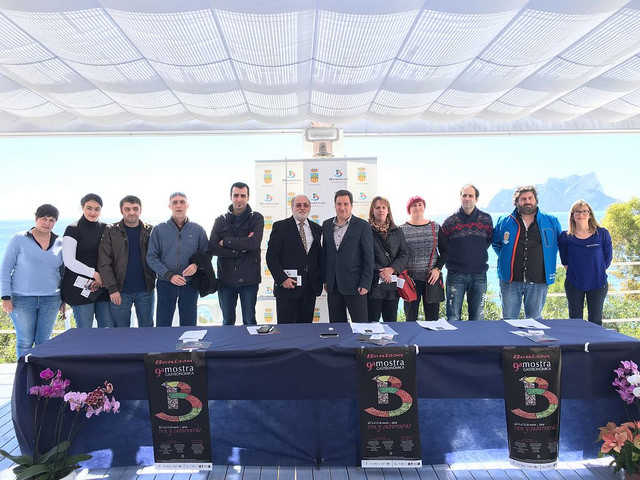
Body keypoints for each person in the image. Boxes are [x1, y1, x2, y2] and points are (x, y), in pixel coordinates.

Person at [1, 205, 63, 357]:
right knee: (25, 341)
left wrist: (64, 299)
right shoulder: (19, 239)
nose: (47, 223)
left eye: (51, 220)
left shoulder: (60, 242)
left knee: (44, 342)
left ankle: (40, 372)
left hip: (51, 299)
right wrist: (5, 297)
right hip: (22, 299)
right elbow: (5, 269)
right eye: (44, 219)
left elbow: (63, 274)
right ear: (36, 218)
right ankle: (24, 372)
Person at [493, 185, 561, 320]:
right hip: (510, 280)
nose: (527, 201)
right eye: (523, 199)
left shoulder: (551, 221)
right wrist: (507, 258)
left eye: (530, 198)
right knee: (508, 319)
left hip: (539, 280)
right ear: (517, 202)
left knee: (535, 320)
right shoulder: (504, 221)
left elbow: (558, 244)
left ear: (536, 200)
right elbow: (496, 244)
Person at [147, 192, 208, 327]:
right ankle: (163, 343)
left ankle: (187, 343)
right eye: (175, 202)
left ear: (187, 205)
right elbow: (151, 257)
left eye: (182, 202)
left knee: (189, 325)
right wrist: (169, 275)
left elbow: (206, 254)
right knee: (163, 324)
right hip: (166, 283)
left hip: (190, 283)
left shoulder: (198, 230)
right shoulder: (159, 229)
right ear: (170, 206)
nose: (178, 205)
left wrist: (196, 265)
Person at [209, 182, 264, 326]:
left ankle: (251, 343)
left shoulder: (256, 218)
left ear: (248, 197)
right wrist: (240, 249)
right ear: (231, 197)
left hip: (249, 280)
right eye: (236, 195)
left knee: (250, 321)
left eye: (243, 196)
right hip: (225, 280)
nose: (239, 199)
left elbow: (253, 243)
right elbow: (213, 248)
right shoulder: (220, 220)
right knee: (227, 321)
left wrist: (226, 241)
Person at [98, 195, 155, 328]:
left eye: (135, 208)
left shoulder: (150, 230)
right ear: (121, 211)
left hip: (146, 290)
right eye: (127, 209)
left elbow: (157, 256)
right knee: (121, 331)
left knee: (147, 329)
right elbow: (104, 262)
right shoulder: (111, 231)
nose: (131, 212)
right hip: (120, 291)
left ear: (140, 210)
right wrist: (112, 289)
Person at [439, 184, 493, 321]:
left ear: (476, 199)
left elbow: (487, 241)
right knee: (453, 317)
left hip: (479, 276)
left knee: (478, 317)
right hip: (455, 275)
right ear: (460, 197)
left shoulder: (486, 219)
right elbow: (443, 247)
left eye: (470, 196)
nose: (467, 198)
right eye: (464, 195)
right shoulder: (449, 222)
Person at [266, 194, 323, 324]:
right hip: (288, 288)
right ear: (292, 207)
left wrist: (321, 279)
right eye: (298, 205)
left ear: (310, 207)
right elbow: (271, 257)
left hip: (309, 289)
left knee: (306, 330)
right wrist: (282, 279)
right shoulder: (280, 227)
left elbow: (319, 257)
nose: (302, 208)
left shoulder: (317, 229)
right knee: (287, 331)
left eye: (305, 205)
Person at [61, 193, 113, 328]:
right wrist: (94, 274)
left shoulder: (106, 228)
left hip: (103, 287)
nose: (93, 212)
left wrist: (105, 278)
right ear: (82, 207)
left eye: (97, 209)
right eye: (89, 208)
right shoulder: (72, 229)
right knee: (85, 331)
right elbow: (69, 261)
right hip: (79, 289)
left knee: (107, 328)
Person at [322, 189, 374, 323]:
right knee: (337, 326)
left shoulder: (363, 226)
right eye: (339, 204)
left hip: (356, 286)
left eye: (346, 204)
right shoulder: (326, 225)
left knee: (360, 326)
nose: (342, 208)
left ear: (351, 205)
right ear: (335, 205)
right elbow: (325, 254)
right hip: (333, 286)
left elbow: (369, 257)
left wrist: (365, 283)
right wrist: (326, 280)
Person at [559, 200, 612, 325]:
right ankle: (577, 340)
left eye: (584, 211)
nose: (581, 214)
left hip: (598, 283)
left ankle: (594, 340)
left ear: (590, 214)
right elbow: (565, 261)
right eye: (577, 211)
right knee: (575, 321)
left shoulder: (602, 234)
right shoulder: (565, 237)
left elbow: (608, 259)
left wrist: (594, 271)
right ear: (572, 215)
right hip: (574, 283)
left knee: (595, 321)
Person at [400, 196, 444, 321]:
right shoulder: (401, 229)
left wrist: (437, 269)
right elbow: (399, 254)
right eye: (414, 205)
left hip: (431, 278)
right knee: (410, 319)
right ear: (409, 209)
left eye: (420, 204)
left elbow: (445, 252)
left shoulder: (435, 227)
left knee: (432, 319)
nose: (417, 207)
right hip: (410, 281)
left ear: (424, 207)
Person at [367, 196, 409, 322]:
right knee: (372, 323)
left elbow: (404, 254)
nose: (381, 210)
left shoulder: (397, 231)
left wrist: (391, 269)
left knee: (391, 323)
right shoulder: (365, 230)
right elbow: (363, 256)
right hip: (373, 284)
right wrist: (380, 271)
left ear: (388, 211)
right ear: (372, 210)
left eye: (383, 207)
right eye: (377, 207)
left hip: (392, 285)